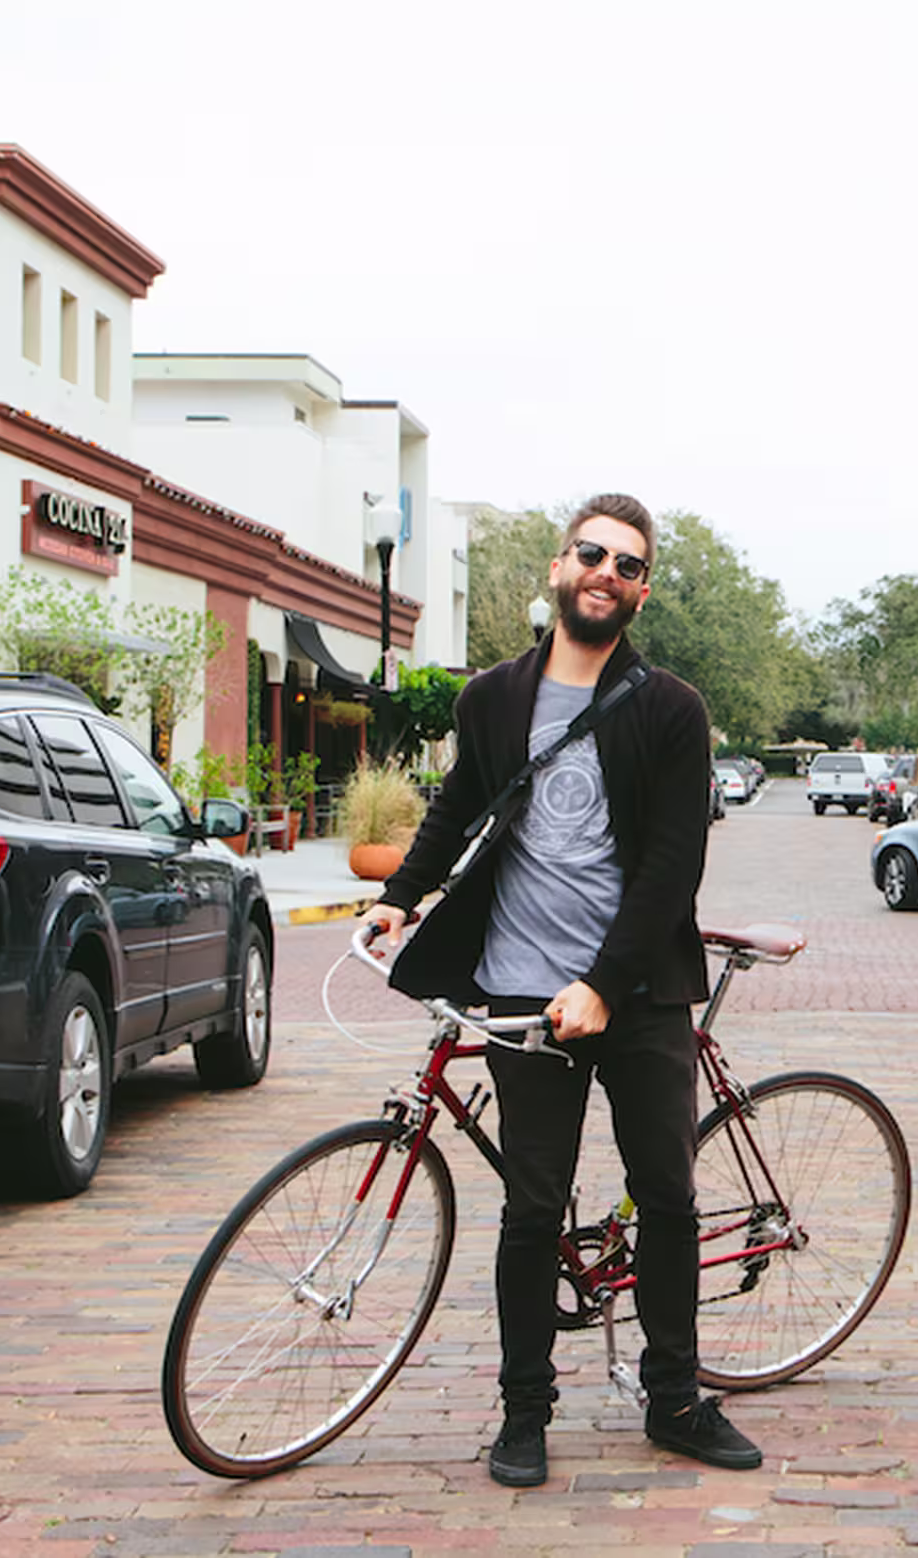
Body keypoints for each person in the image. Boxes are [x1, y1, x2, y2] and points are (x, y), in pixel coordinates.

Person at [358, 493, 760, 1489]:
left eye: (627, 564)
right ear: (557, 566)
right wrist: (399, 897)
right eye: (592, 553)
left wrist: (606, 984)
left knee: (665, 1194)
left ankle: (675, 1398)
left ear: (641, 591)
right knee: (531, 1209)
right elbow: (458, 807)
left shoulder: (670, 708)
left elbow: (673, 864)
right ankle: (524, 1410)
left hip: (638, 992)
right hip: (518, 987)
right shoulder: (491, 697)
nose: (605, 572)